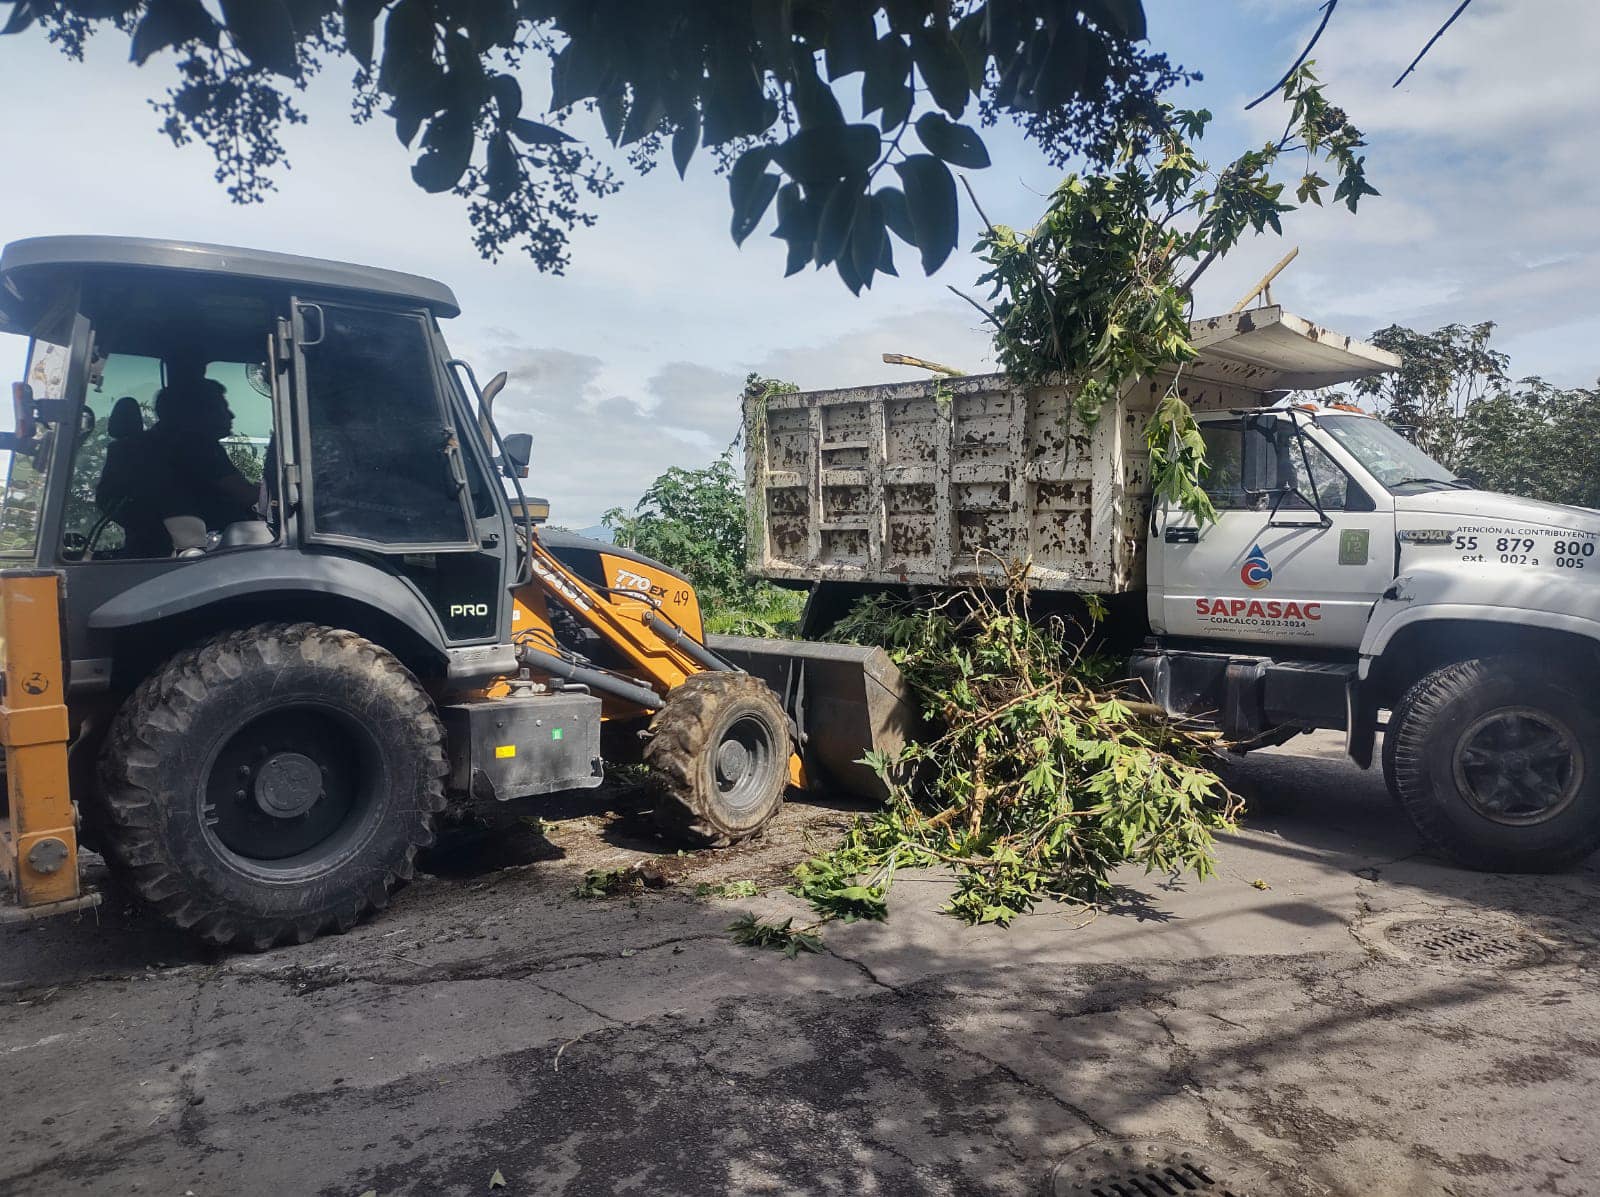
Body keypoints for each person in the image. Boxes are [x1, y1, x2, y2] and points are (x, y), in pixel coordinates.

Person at [101, 376, 260, 556]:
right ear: (197, 412)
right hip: (203, 557)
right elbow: (247, 496)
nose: (231, 415)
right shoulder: (196, 447)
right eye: (222, 408)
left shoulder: (145, 447)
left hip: (150, 554)